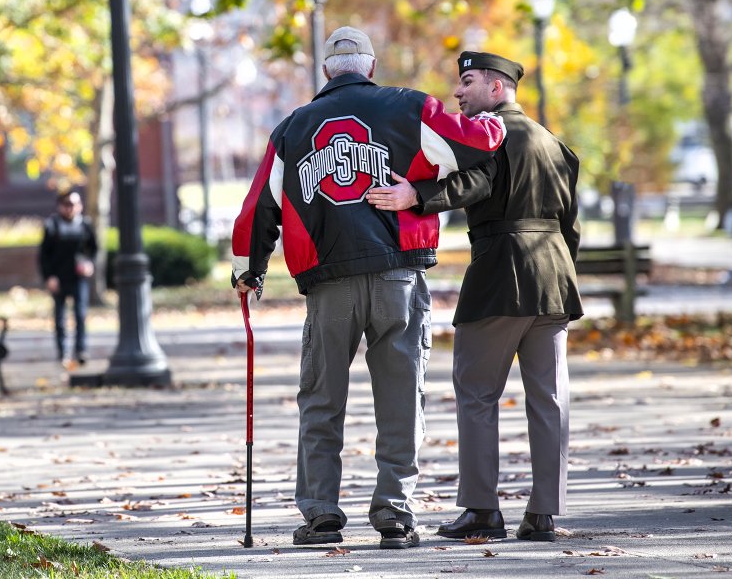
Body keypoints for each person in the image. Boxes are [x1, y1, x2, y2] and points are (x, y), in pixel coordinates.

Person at [231, 28, 506, 550]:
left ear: (327, 73)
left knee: (321, 400)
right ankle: (396, 515)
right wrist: (492, 121)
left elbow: (258, 208)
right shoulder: (411, 107)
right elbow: (476, 143)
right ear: (372, 67)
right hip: (398, 278)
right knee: (402, 397)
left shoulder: (291, 129)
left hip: (327, 281)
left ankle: (320, 516)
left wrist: (250, 268)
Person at [368, 50, 583, 543]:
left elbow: (475, 181)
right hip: (554, 282)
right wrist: (563, 274)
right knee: (549, 400)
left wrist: (417, 196)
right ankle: (544, 513)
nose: (458, 93)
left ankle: (484, 510)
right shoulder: (554, 143)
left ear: (496, 87)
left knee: (477, 395)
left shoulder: (491, 133)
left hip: (500, 278)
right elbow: (571, 226)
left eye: (467, 82)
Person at [39, 189, 97, 367]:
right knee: (60, 318)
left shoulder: (85, 225)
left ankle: (81, 350)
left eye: (74, 204)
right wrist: (49, 277)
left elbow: (93, 249)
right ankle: (62, 352)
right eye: (67, 205)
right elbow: (43, 255)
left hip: (78, 278)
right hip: (59, 278)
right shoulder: (52, 226)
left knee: (80, 315)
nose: (71, 208)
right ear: (60, 206)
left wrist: (88, 264)